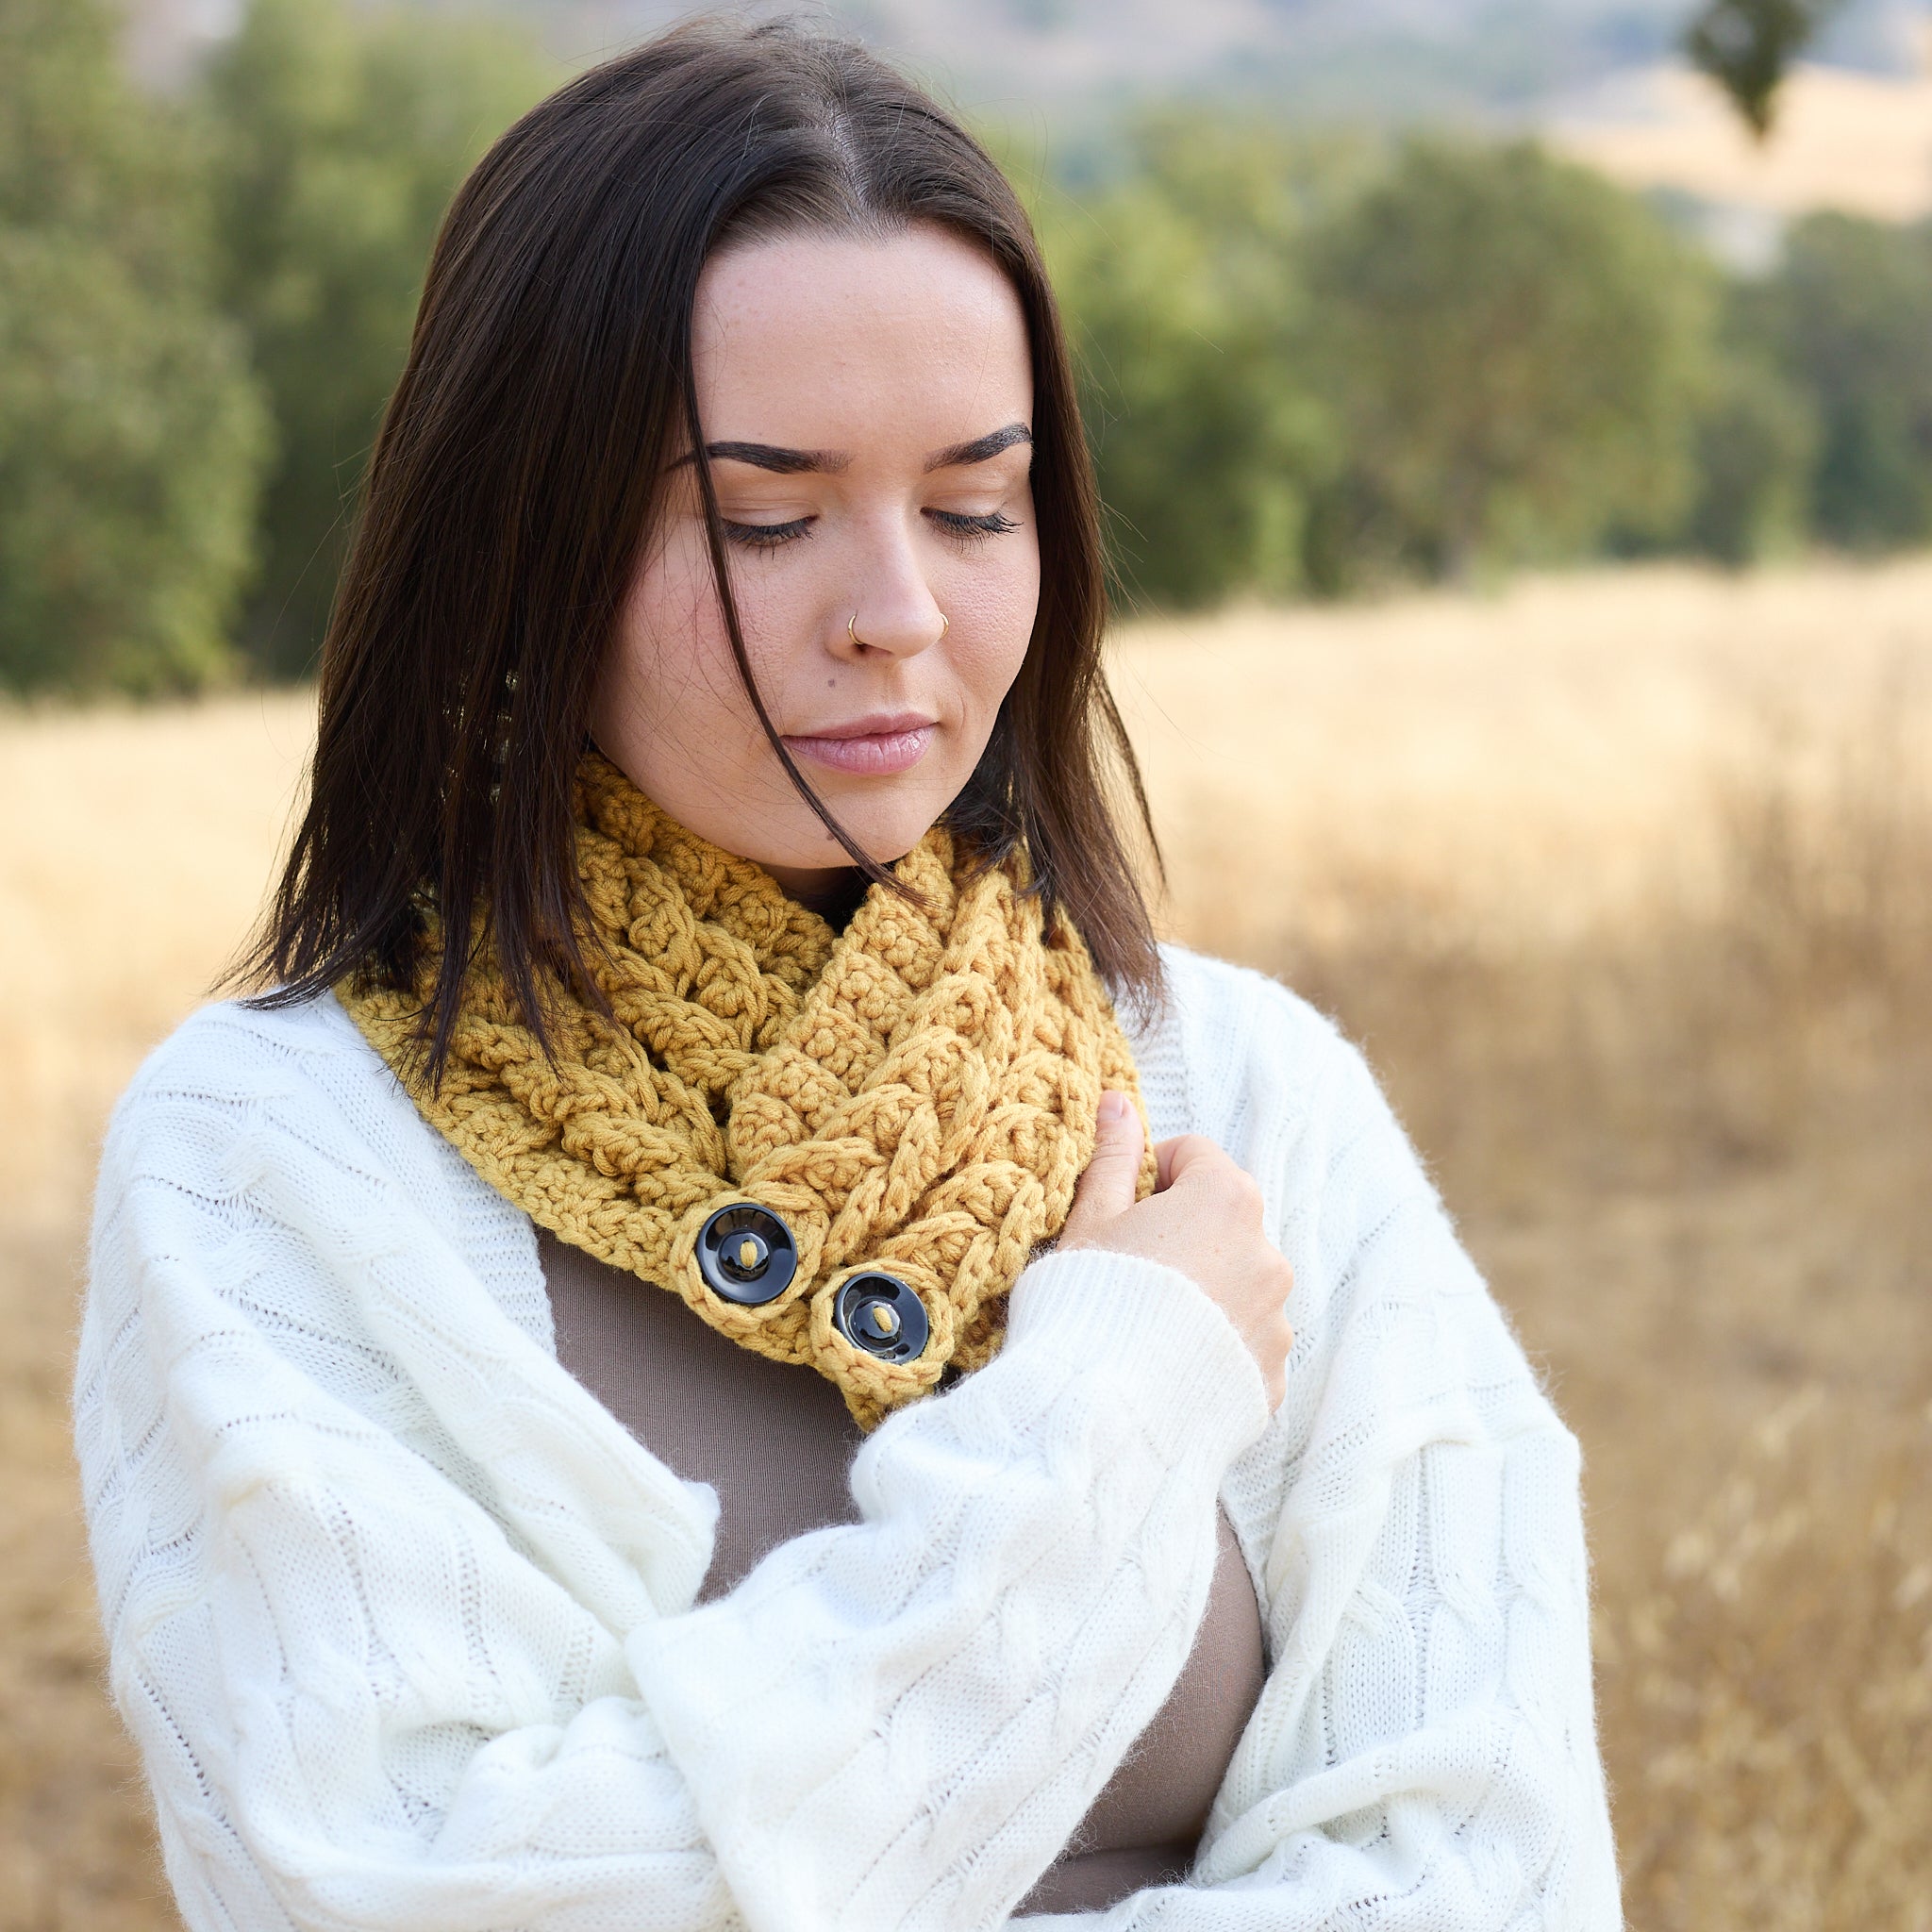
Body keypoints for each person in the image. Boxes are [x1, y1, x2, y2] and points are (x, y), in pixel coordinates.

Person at [74, 21, 1621, 1931]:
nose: (898, 610)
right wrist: (1112, 1407)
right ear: (515, 549)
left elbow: (1491, 1864)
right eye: (765, 517)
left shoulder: (1247, 1092)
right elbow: (423, 1892)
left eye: (977, 506)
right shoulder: (269, 1157)